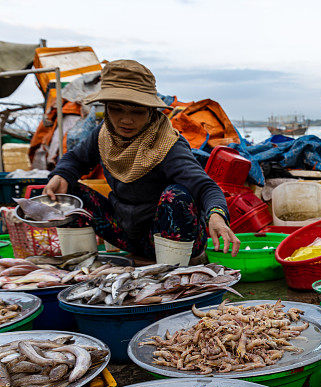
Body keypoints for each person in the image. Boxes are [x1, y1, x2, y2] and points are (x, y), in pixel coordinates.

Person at [44, 60, 239, 259]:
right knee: (71, 192)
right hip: (126, 233)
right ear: (107, 108)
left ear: (150, 111)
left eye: (137, 112)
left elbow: (205, 187)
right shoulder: (103, 134)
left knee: (176, 195)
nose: (126, 120)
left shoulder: (168, 144)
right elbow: (75, 159)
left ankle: (172, 271)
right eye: (117, 109)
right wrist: (61, 175)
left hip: (169, 239)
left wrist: (216, 217)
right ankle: (79, 267)